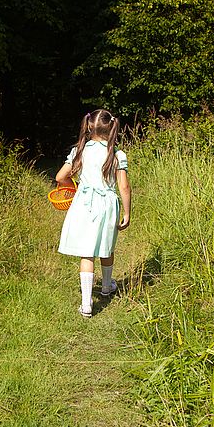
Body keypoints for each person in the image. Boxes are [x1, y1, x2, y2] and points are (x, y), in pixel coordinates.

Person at [55, 108, 132, 317]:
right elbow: (124, 187)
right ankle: (107, 286)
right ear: (111, 128)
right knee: (107, 245)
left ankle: (86, 304)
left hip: (84, 203)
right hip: (107, 204)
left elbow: (60, 177)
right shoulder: (116, 153)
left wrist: (75, 186)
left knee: (86, 252)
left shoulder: (79, 151)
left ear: (89, 127)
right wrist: (127, 213)